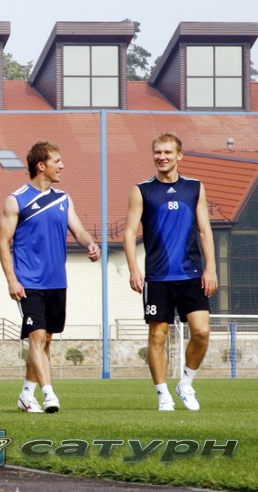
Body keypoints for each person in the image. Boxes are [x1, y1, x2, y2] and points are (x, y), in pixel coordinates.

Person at [0, 141, 100, 414]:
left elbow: (79, 231)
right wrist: (11, 279)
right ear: (41, 165)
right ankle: (49, 394)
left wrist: (90, 243)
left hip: (57, 282)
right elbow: (3, 243)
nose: (62, 165)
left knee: (46, 341)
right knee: (37, 337)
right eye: (57, 161)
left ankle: (26, 394)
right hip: (28, 282)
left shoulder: (63, 198)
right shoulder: (16, 200)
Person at [123, 133, 216, 412]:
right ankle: (163, 394)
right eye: (158, 152)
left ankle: (185, 384)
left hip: (192, 275)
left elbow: (204, 230)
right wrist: (133, 269)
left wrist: (211, 268)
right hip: (157, 277)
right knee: (158, 336)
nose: (162, 157)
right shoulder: (142, 190)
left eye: (167, 152)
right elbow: (129, 232)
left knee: (201, 331)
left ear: (179, 155)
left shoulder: (195, 187)